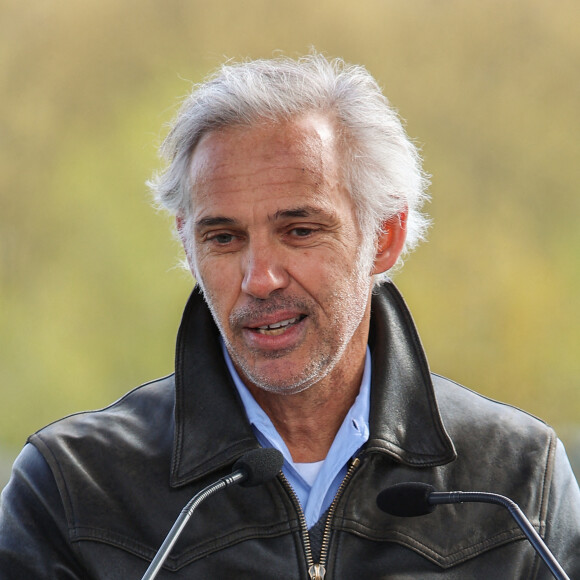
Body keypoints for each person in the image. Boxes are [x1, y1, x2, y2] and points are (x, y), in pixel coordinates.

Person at [1, 53, 579, 579]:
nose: (260, 278)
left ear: (385, 236)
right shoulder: (73, 485)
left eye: (299, 231)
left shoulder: (519, 480)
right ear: (188, 246)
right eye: (224, 238)